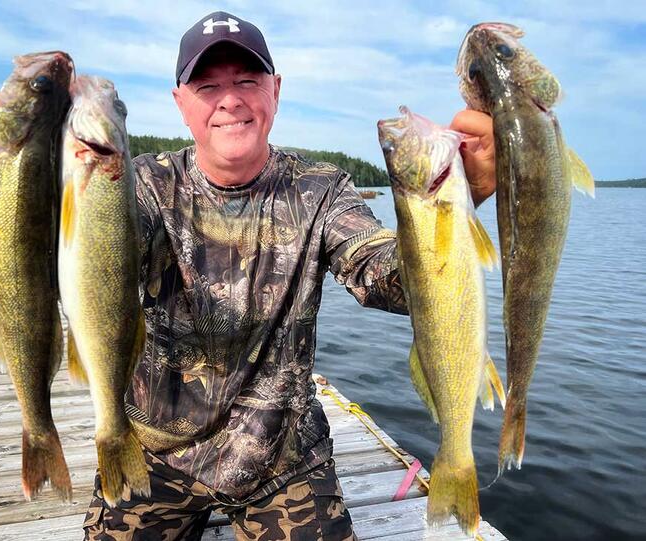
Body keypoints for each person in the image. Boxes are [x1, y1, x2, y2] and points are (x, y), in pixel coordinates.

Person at [82, 10, 495, 541]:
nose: (229, 99)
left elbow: (384, 276)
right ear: (180, 104)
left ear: (275, 91)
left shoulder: (321, 190)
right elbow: (87, 264)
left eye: (247, 81)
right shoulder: (141, 185)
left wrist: (457, 208)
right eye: (207, 85)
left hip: (281, 454)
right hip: (154, 453)